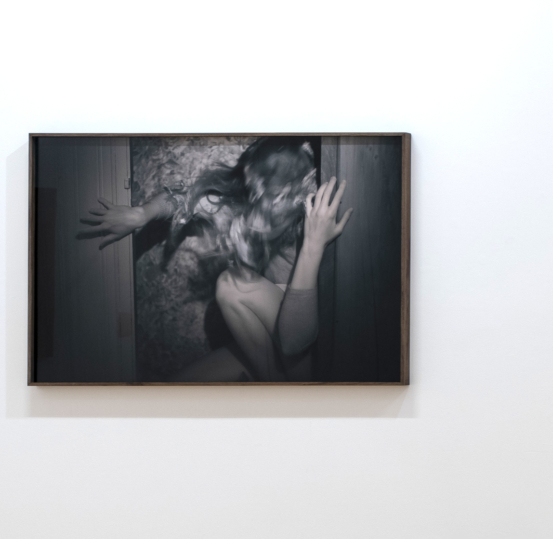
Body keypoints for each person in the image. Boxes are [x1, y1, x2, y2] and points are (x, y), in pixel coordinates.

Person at [75, 138, 351, 382]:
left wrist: (313, 244)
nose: (256, 212)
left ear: (293, 202)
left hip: (305, 354)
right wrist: (141, 214)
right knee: (176, 388)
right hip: (268, 345)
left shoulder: (310, 225)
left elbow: (294, 343)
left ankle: (283, 399)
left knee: (232, 284)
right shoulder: (246, 205)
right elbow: (183, 198)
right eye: (257, 195)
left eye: (273, 203)